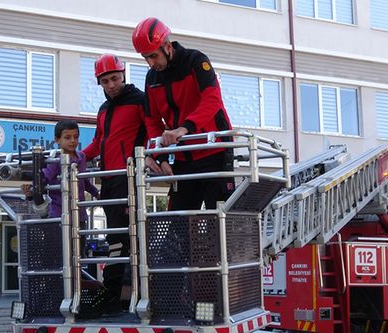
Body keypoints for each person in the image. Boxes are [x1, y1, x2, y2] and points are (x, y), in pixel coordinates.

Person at [132, 17, 236, 211]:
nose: (150, 63)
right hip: (183, 157)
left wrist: (185, 128)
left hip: (214, 152)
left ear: (167, 46)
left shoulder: (196, 61)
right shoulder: (151, 78)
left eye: (153, 56)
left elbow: (212, 100)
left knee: (221, 218)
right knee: (178, 222)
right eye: (145, 57)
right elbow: (152, 121)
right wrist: (161, 157)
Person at [82, 54, 147, 312]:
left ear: (123, 76)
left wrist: (150, 158)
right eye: (105, 80)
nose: (111, 84)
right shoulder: (104, 109)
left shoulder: (140, 100)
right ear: (99, 83)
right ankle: (120, 296)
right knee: (118, 239)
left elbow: (152, 131)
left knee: (121, 238)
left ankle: (112, 297)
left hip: (129, 179)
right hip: (108, 180)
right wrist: (75, 157)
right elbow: (99, 143)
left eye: (115, 78)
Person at [21, 119, 99, 220]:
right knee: (63, 235)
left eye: (76, 137)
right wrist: (31, 190)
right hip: (60, 214)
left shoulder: (82, 157)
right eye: (67, 137)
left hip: (80, 213)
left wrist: (96, 193)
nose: (72, 141)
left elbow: (83, 180)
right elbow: (44, 179)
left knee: (81, 235)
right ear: (57, 140)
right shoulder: (55, 159)